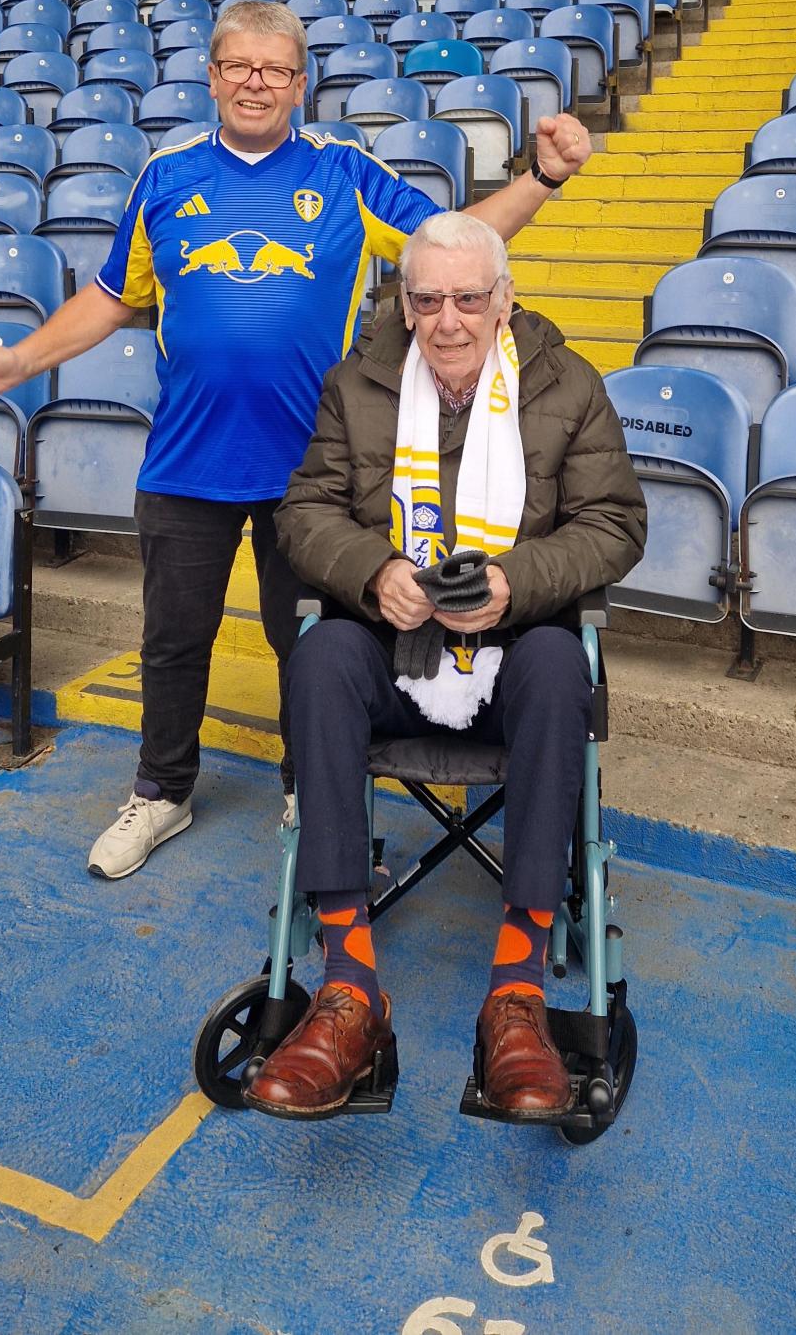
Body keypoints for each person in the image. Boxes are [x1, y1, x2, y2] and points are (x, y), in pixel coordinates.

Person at [0, 0, 594, 880]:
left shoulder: (341, 172)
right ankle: (162, 790)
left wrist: (544, 177)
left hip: (313, 474)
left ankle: (310, 787)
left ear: (301, 83)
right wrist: (20, 360)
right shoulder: (166, 175)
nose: (256, 83)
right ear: (212, 77)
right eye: (238, 67)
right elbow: (109, 296)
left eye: (275, 70)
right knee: (173, 642)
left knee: (310, 645)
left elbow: (459, 246)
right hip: (187, 460)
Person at [245, 211, 646, 1119]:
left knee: (556, 662)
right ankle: (351, 990)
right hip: (397, 651)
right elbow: (303, 512)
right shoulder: (358, 385)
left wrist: (517, 581)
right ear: (403, 302)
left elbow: (615, 525)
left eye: (469, 298)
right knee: (318, 656)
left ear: (503, 301)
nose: (448, 320)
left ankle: (515, 992)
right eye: (426, 300)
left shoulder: (568, 386)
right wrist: (372, 570)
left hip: (510, 659)